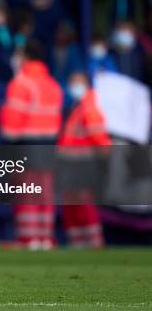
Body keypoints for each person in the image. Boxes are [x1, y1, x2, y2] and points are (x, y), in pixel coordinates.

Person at [0, 40, 63, 250]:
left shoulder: (21, 83)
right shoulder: (53, 85)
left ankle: (29, 239)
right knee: (45, 195)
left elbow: (11, 124)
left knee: (27, 194)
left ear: (25, 57)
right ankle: (45, 238)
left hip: (25, 145)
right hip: (49, 146)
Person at [58, 72, 110, 248]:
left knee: (84, 204)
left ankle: (93, 243)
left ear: (87, 84)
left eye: (77, 82)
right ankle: (79, 243)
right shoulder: (79, 107)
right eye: (72, 81)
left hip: (83, 164)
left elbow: (99, 138)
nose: (73, 86)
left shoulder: (89, 108)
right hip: (73, 163)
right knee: (73, 205)